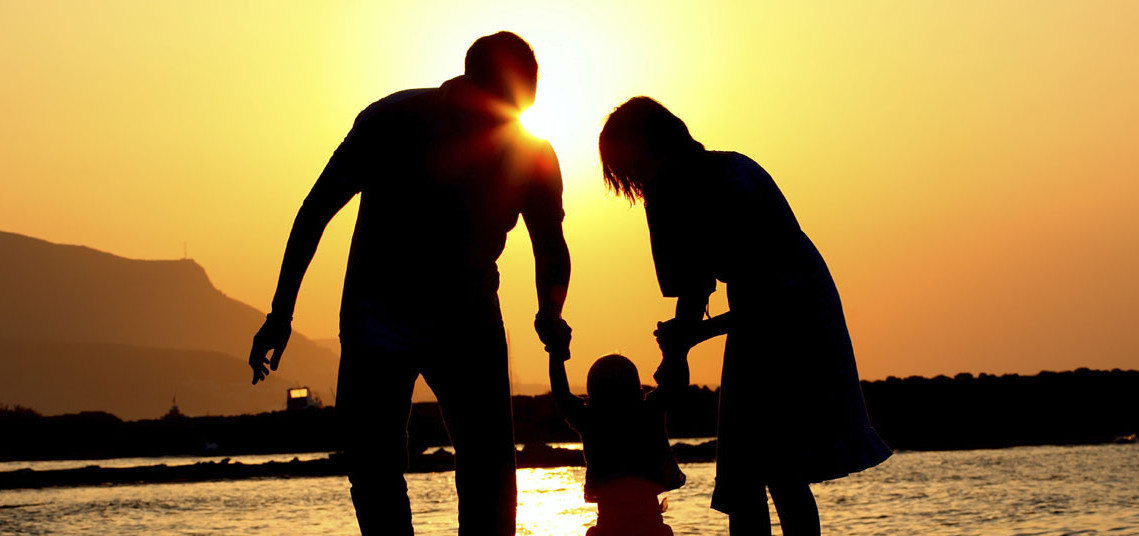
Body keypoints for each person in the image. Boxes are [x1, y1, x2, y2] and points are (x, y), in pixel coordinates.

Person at [247, 32, 572, 536]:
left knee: (489, 469)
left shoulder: (533, 154)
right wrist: (280, 314)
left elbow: (550, 245)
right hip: (377, 316)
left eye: (519, 108)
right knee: (373, 466)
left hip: (468, 317)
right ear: (468, 85)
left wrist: (550, 313)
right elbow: (315, 212)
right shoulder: (389, 121)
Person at [598, 96, 891, 536]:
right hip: (754, 311)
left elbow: (769, 299)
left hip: (800, 312)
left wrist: (689, 339)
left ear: (657, 145)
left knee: (782, 464)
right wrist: (678, 351)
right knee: (743, 469)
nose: (636, 181)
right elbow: (692, 286)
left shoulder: (732, 177)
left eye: (635, 167)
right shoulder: (663, 194)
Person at [547, 350, 685, 536]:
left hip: (609, 526)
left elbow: (561, 394)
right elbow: (674, 383)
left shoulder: (591, 420)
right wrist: (672, 351)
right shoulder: (649, 413)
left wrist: (556, 352)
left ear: (591, 399)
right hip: (650, 525)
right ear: (640, 393)